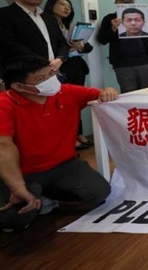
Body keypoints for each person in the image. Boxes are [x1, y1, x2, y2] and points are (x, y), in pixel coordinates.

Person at [0, 56, 118, 232]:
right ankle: (34, 196)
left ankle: (45, 198)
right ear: (19, 86)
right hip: (22, 172)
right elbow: (3, 146)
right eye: (41, 79)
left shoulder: (66, 92)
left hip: (63, 166)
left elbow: (100, 93)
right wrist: (17, 187)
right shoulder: (5, 104)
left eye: (51, 73)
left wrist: (108, 90)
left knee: (98, 192)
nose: (50, 80)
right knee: (14, 220)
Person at [43, 0, 94, 150]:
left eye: (69, 6)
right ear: (51, 6)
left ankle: (79, 134)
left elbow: (88, 47)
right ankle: (69, 138)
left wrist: (81, 46)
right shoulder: (44, 25)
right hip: (59, 67)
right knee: (62, 104)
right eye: (62, 5)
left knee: (75, 102)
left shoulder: (69, 27)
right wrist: (67, 50)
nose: (67, 8)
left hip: (76, 66)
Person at [0, 0, 69, 72]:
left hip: (52, 71)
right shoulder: (4, 15)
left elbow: (62, 42)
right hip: (22, 73)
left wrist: (60, 59)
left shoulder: (49, 18)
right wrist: (43, 63)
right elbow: (9, 45)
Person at [97, 0, 148, 93]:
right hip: (122, 64)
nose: (128, 4)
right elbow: (102, 40)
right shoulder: (109, 19)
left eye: (131, 2)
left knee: (147, 93)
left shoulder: (146, 18)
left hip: (145, 62)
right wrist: (113, 29)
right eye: (124, 2)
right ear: (116, 2)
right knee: (128, 94)